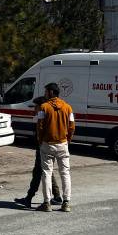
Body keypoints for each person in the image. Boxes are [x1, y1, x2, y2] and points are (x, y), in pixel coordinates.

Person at [14, 96, 62, 208]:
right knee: (47, 171)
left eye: (36, 106)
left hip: (43, 147)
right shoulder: (45, 115)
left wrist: (41, 144)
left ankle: (29, 198)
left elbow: (41, 132)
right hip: (47, 146)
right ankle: (57, 196)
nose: (34, 108)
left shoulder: (44, 116)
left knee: (38, 172)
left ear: (41, 106)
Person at [35, 83, 75, 213]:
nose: (45, 94)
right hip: (63, 144)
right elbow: (72, 126)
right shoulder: (68, 107)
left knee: (46, 172)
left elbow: (40, 126)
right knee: (65, 173)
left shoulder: (43, 108)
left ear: (51, 92)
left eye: (46, 92)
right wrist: (67, 140)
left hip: (47, 144)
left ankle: (47, 203)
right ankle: (66, 202)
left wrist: (40, 141)